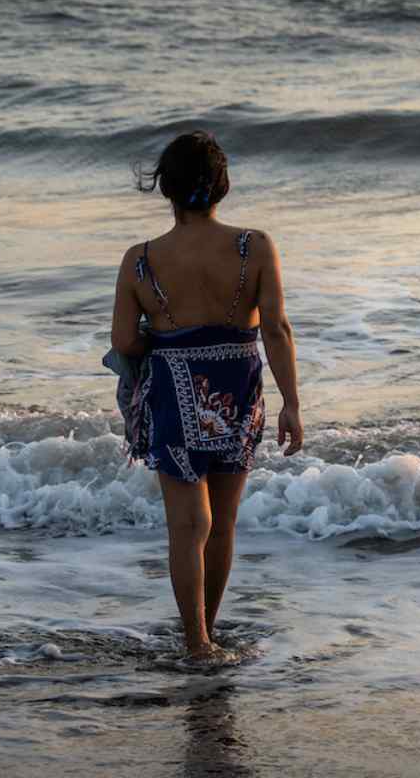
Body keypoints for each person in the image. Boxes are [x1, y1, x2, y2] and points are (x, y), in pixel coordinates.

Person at [110, 130, 303, 662]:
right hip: (237, 393)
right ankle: (209, 634)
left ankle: (195, 641)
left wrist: (160, 339)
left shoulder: (141, 259)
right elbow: (276, 329)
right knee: (221, 524)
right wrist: (291, 403)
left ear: (165, 188)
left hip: (174, 393)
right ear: (222, 186)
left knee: (188, 525)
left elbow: (123, 342)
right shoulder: (254, 246)